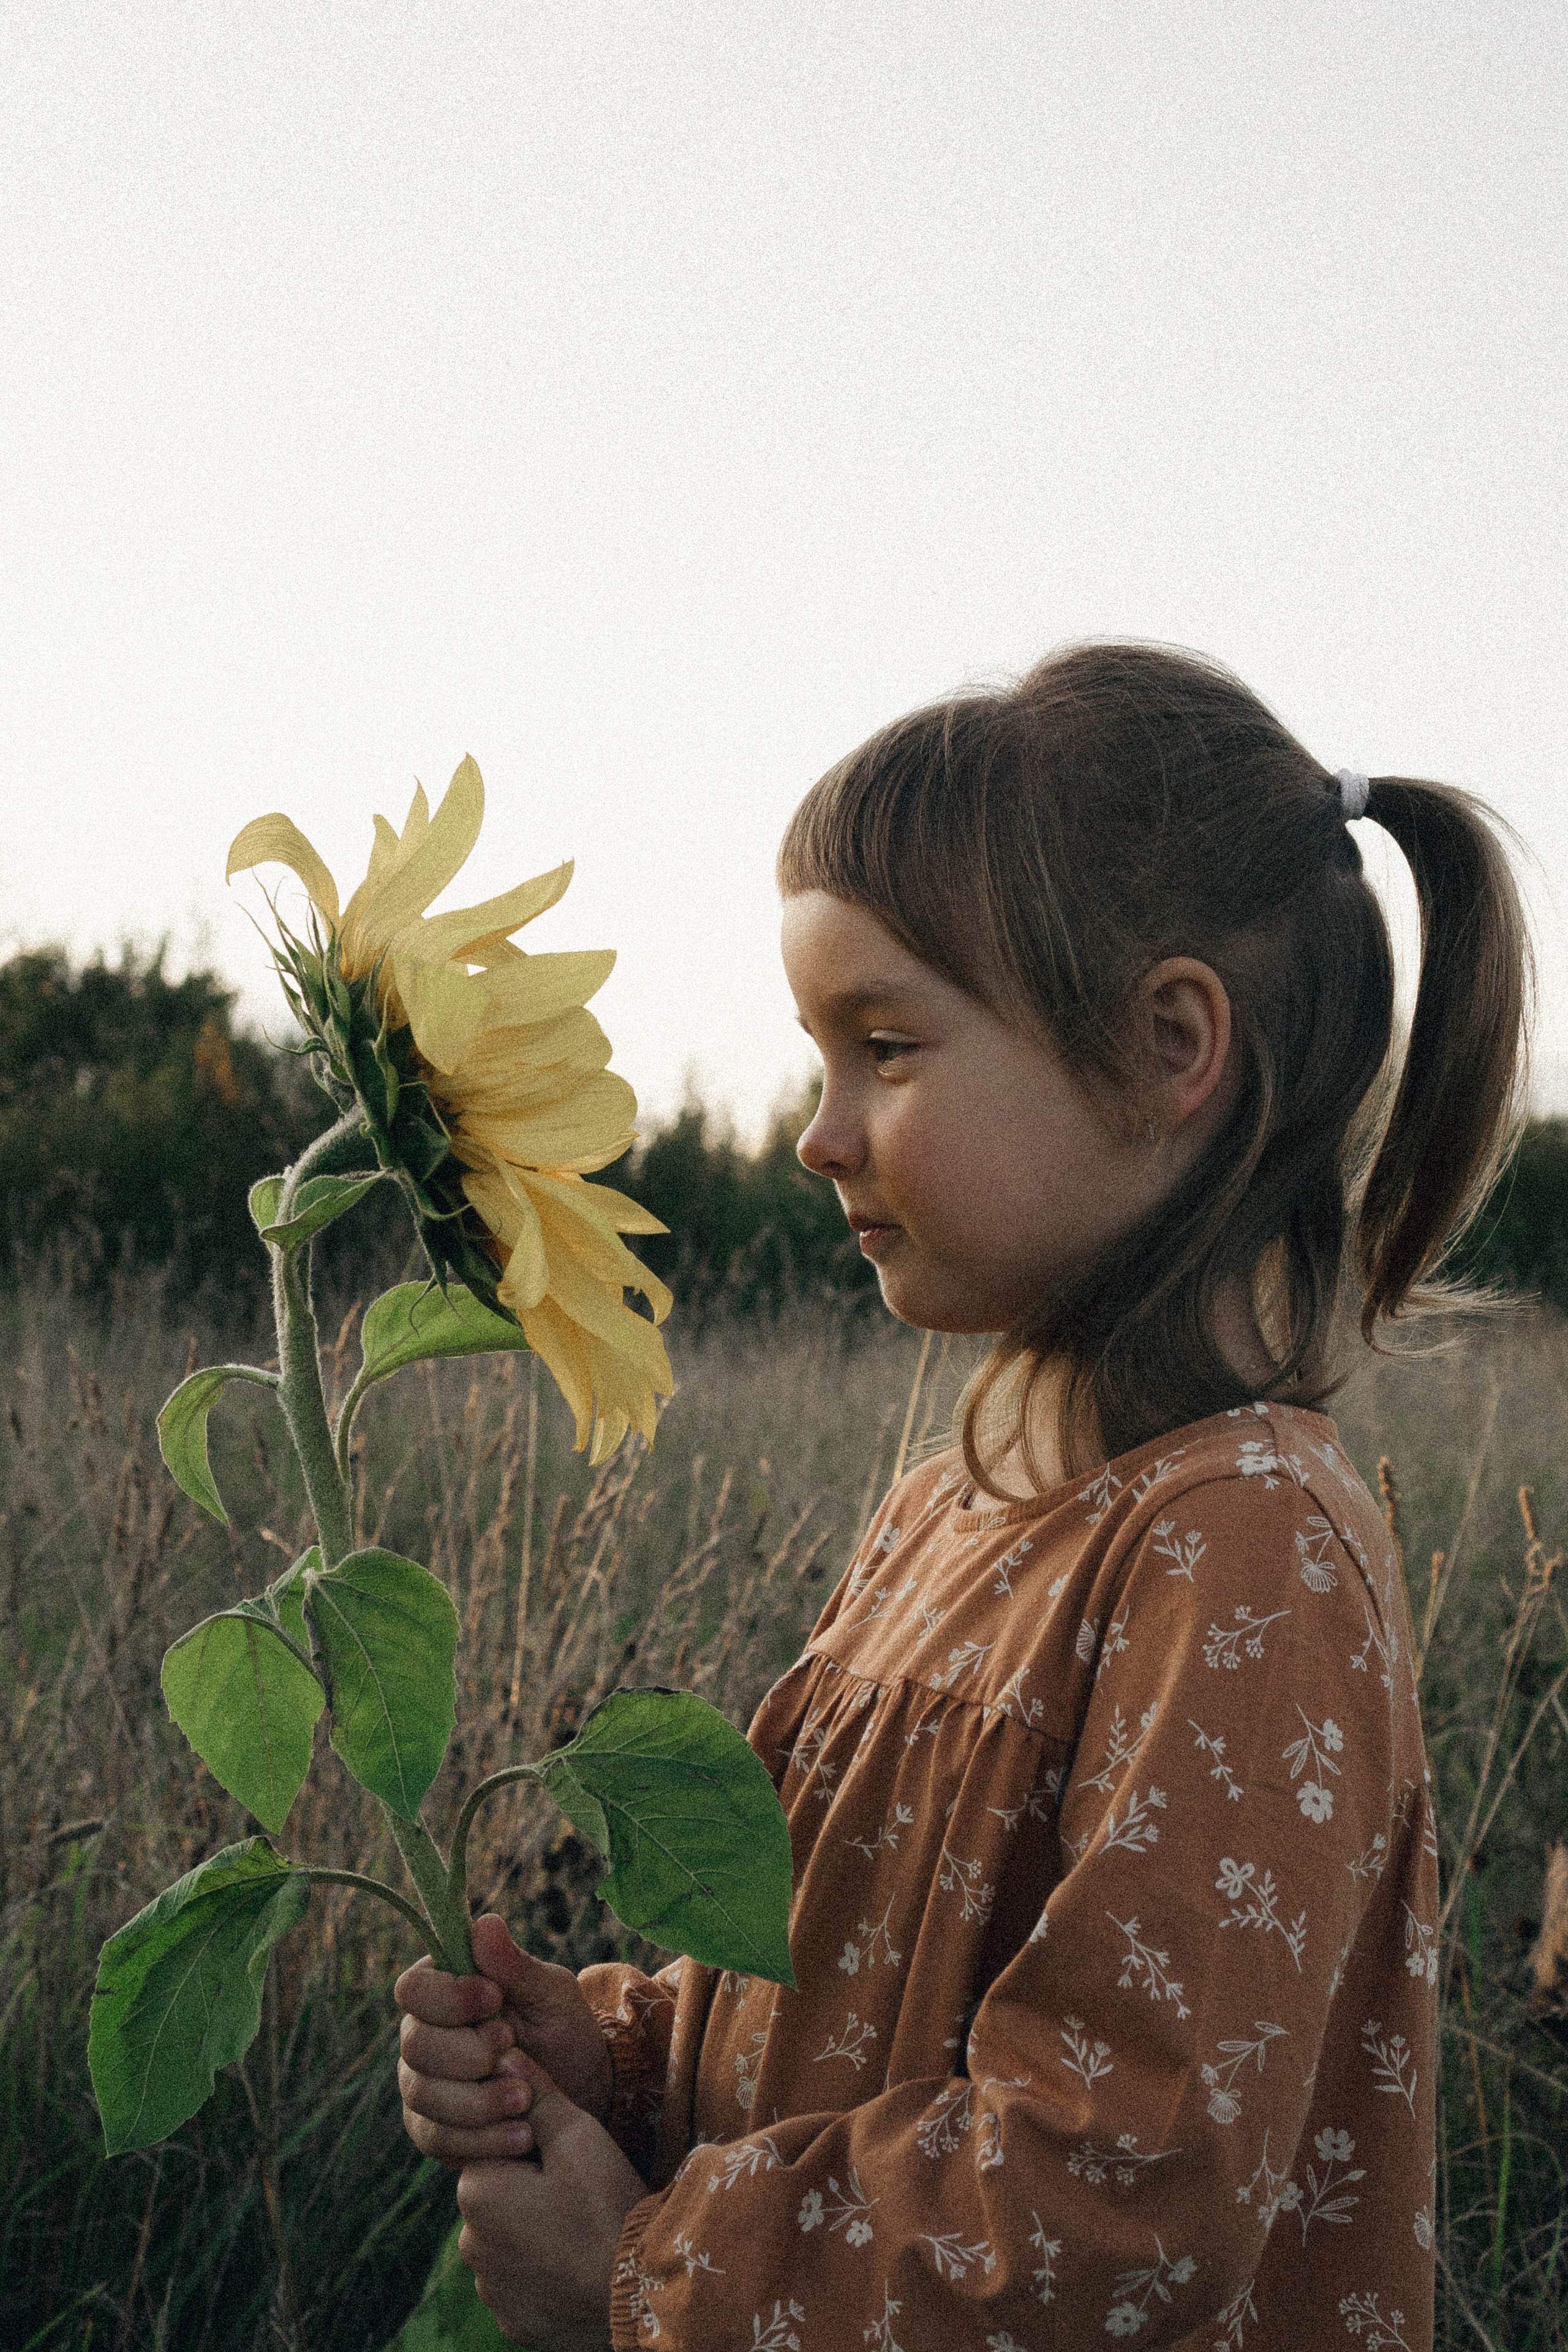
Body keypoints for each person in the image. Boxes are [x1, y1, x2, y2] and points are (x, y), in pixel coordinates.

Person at [394, 642, 1530, 2350]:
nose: (819, 1132)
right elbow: (837, 2007)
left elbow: (1117, 2189)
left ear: (1168, 1047)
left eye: (886, 1046)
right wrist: (618, 2057)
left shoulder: (1244, 1548)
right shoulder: (953, 1509)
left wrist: (651, 2278)